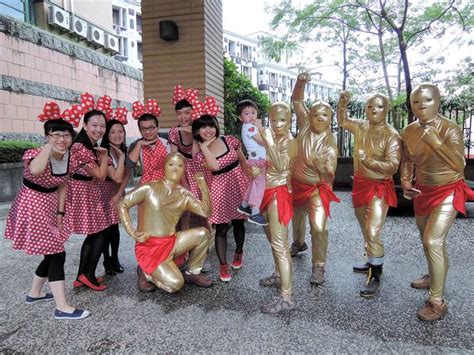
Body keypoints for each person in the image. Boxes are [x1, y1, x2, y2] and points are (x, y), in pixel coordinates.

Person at [4, 101, 89, 320]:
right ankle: (62, 307)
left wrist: (60, 214)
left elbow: (62, 185)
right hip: (32, 204)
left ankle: (35, 293)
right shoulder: (35, 154)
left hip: (51, 203)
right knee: (56, 252)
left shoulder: (71, 158)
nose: (62, 139)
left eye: (66, 135)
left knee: (52, 249)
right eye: (55, 134)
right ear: (47, 136)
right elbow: (36, 169)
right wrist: (49, 148)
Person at [401, 83, 474, 321]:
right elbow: (408, 159)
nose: (422, 106)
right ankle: (434, 275)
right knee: (428, 240)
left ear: (438, 101)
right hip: (422, 190)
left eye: (427, 100)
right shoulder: (409, 130)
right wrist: (405, 182)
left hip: (448, 190)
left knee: (433, 240)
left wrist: (436, 142)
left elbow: (459, 165)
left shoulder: (450, 128)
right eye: (416, 102)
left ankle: (437, 301)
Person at [117, 153, 213, 292]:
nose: (175, 168)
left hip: (171, 241)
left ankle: (192, 272)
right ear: (165, 167)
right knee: (175, 284)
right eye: (171, 164)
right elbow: (122, 204)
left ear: (184, 170)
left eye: (180, 166)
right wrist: (132, 232)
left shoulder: (184, 194)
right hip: (151, 246)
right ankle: (146, 273)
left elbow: (206, 212)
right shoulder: (149, 188)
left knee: (203, 233)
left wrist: (203, 186)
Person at [337, 91, 401, 298]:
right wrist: (342, 103)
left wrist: (369, 162)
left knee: (373, 231)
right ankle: (372, 260)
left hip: (379, 187)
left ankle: (376, 274)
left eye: (379, 106)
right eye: (370, 106)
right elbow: (343, 121)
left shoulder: (391, 135)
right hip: (360, 185)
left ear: (386, 109)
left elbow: (392, 166)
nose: (374, 110)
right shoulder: (362, 126)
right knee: (364, 227)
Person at [65, 93, 125, 291]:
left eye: (102, 126)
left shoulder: (91, 146)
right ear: (85, 125)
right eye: (94, 125)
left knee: (95, 233)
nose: (99, 129)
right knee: (98, 232)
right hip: (83, 192)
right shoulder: (81, 146)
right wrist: (106, 155)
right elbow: (100, 175)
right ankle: (87, 274)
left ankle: (83, 275)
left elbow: (113, 175)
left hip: (89, 191)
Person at [192, 97, 250, 282]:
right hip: (219, 188)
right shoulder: (200, 155)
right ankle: (223, 266)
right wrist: (204, 146)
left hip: (239, 182)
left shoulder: (230, 140)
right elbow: (215, 167)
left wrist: (253, 184)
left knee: (240, 223)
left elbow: (243, 161)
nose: (207, 130)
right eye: (203, 127)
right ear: (198, 131)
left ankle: (239, 252)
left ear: (216, 126)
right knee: (222, 228)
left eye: (210, 125)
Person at [289, 73, 340, 285]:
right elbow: (297, 101)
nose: (319, 118)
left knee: (319, 227)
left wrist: (323, 169)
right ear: (310, 117)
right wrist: (300, 83)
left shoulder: (330, 144)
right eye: (316, 114)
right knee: (297, 219)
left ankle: (319, 266)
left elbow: (330, 176)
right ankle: (299, 243)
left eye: (325, 115)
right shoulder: (305, 126)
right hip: (296, 183)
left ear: (331, 119)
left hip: (316, 189)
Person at [259, 102, 298, 314]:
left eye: (282, 119)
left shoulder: (290, 141)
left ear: (290, 120)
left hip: (280, 193)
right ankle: (278, 274)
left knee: (280, 244)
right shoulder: (278, 138)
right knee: (272, 240)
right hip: (269, 191)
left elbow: (282, 166)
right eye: (273, 119)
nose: (277, 124)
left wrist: (268, 139)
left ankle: (286, 297)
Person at [99, 108, 130, 275]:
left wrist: (120, 194)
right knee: (105, 229)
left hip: (117, 193)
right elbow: (115, 177)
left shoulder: (123, 150)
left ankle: (115, 258)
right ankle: (106, 260)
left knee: (115, 228)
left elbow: (126, 174)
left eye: (120, 131)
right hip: (104, 193)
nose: (117, 135)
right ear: (107, 135)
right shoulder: (104, 152)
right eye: (113, 132)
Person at [236, 99, 268, 226]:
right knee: (259, 186)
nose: (251, 116)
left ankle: (244, 205)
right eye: (247, 113)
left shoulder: (250, 127)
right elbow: (262, 141)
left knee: (253, 184)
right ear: (240, 117)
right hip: (257, 161)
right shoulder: (249, 127)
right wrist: (261, 128)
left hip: (255, 160)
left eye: (253, 113)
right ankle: (255, 212)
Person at [127, 99, 170, 184]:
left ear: (157, 127)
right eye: (143, 129)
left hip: (166, 185)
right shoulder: (136, 144)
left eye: (151, 128)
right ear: (139, 130)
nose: (147, 132)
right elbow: (130, 164)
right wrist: (139, 144)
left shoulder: (167, 142)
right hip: (147, 187)